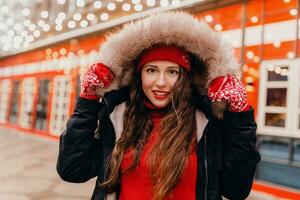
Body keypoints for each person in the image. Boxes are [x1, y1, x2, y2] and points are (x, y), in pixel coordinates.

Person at [57, 11, 260, 200]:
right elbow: (73, 169)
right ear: (139, 74)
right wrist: (88, 101)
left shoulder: (206, 121)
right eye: (152, 70)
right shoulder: (117, 116)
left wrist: (240, 116)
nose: (161, 82)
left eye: (172, 72)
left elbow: (236, 189)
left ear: (185, 77)